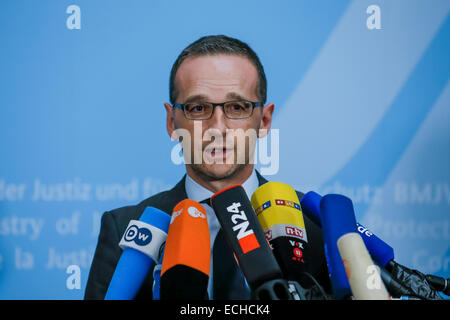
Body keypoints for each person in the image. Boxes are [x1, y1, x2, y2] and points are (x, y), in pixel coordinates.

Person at [84, 35, 330, 300]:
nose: (217, 128)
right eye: (198, 108)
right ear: (171, 122)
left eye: (237, 107)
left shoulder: (317, 227)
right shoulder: (124, 227)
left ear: (264, 120)